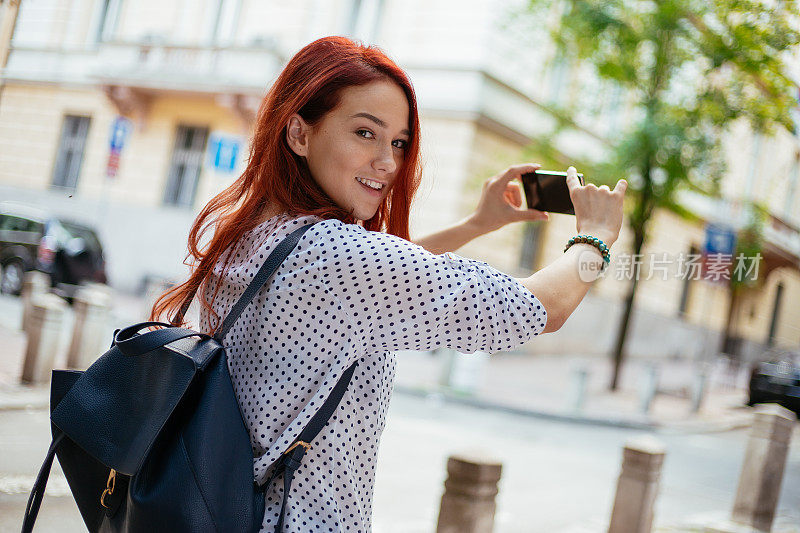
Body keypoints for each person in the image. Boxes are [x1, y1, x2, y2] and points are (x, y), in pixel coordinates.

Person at [151, 36, 626, 532]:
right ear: (298, 133)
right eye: (364, 133)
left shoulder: (249, 231)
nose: (388, 162)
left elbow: (369, 287)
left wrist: (475, 225)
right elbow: (539, 309)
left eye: (398, 142)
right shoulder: (338, 258)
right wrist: (595, 241)